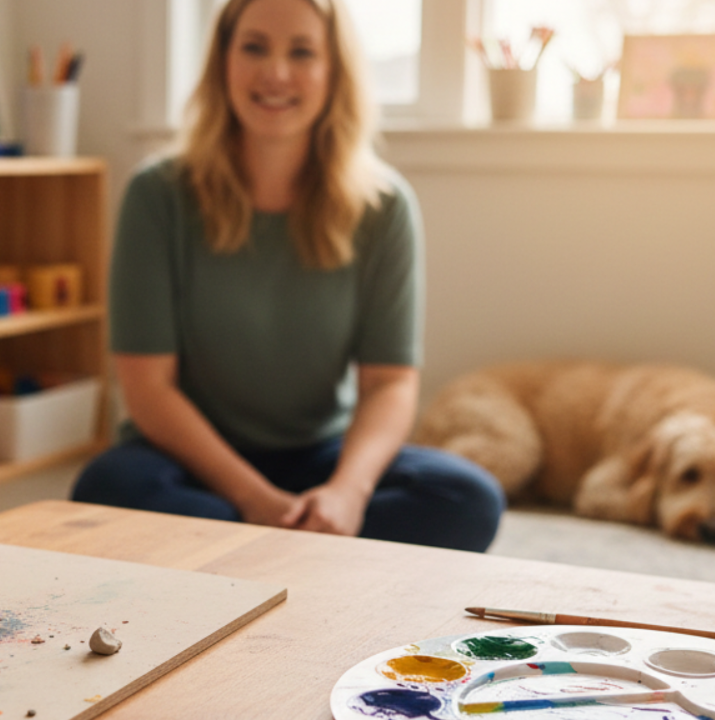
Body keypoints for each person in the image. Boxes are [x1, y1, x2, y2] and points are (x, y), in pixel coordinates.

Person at [72, 0, 505, 551]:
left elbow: (390, 384)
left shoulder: (385, 206)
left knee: (467, 499)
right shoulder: (156, 195)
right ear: (223, 60)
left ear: (334, 71)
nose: (275, 73)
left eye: (301, 52)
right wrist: (254, 500)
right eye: (254, 47)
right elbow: (147, 387)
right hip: (190, 461)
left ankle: (257, 555)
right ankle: (306, 554)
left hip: (319, 456)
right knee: (105, 488)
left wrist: (347, 493)